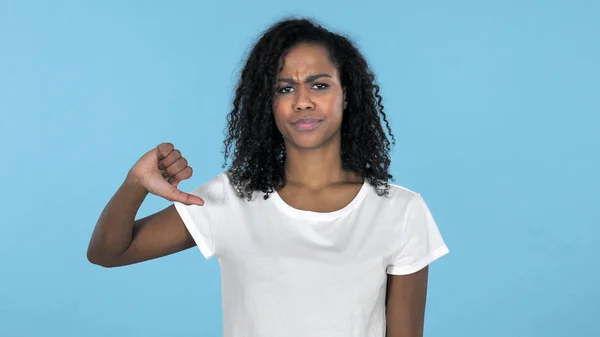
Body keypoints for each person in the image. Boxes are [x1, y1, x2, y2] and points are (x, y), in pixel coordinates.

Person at [87, 17, 449, 337]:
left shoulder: (400, 211)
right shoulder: (230, 198)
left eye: (319, 85)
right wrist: (134, 184)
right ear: (267, 102)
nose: (302, 101)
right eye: (284, 88)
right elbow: (109, 252)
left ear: (347, 95)